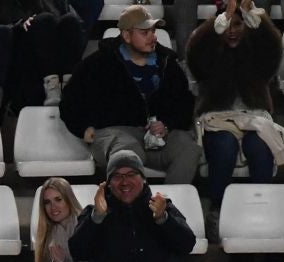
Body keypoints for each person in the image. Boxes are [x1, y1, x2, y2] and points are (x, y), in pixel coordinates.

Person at [59, 6, 200, 186]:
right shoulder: (98, 63)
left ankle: (167, 208)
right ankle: (131, 211)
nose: (153, 37)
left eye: (154, 31)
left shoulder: (168, 63)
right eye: (145, 32)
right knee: (128, 154)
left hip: (157, 137)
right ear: (126, 36)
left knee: (188, 148)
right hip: (114, 133)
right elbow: (69, 100)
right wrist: (82, 128)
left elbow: (185, 104)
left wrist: (166, 125)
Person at [186, 0, 284, 207]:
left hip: (255, 115)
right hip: (218, 118)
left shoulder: (256, 53)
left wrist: (256, 18)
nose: (232, 31)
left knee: (259, 146)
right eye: (227, 25)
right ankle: (218, 210)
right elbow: (195, 56)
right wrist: (214, 28)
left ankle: (264, 208)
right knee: (224, 146)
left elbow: (273, 48)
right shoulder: (209, 53)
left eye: (238, 24)